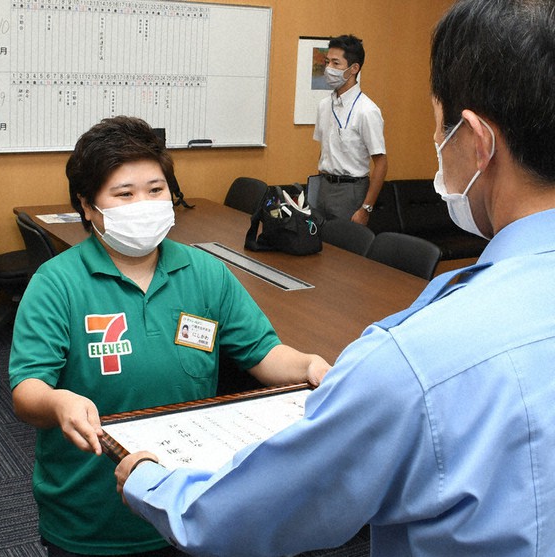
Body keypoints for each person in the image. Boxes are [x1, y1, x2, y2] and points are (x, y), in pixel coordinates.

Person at [115, 1, 555, 555]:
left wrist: (155, 482)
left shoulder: (413, 361)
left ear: (474, 140)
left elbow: (254, 514)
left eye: (438, 126)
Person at [8, 115, 329, 557]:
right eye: (124, 194)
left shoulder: (205, 272)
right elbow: (27, 390)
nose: (144, 203)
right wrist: (57, 401)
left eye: (156, 190)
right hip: (92, 516)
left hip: (187, 502)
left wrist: (308, 365)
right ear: (87, 205)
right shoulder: (57, 283)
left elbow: (262, 352)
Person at [313, 34, 387, 225]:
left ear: (354, 68)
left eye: (336, 63)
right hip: (324, 187)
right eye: (328, 62)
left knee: (343, 250)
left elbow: (381, 163)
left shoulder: (367, 110)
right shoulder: (324, 105)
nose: (329, 68)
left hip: (351, 190)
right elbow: (324, 150)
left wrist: (366, 208)